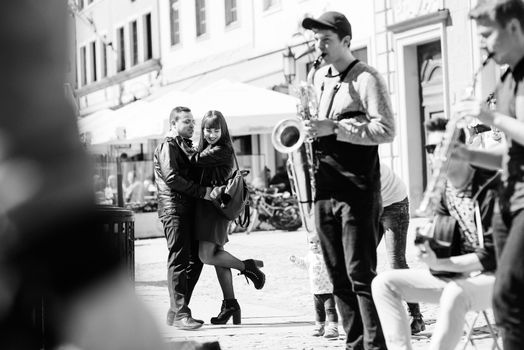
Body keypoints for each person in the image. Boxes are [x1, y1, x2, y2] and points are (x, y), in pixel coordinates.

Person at [301, 11, 396, 349]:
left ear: (345, 41)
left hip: (357, 191)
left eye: (325, 40)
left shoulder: (367, 78)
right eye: (316, 41)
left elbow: (386, 130)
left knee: (360, 275)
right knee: (337, 277)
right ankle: (354, 344)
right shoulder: (318, 79)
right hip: (324, 190)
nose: (319, 46)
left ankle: (375, 346)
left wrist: (337, 128)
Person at [372, 118, 500, 350]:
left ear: (462, 149)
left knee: (454, 292)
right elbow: (445, 251)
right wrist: (431, 249)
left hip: (499, 278)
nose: (435, 155)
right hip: (459, 277)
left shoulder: (490, 188)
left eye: (443, 147)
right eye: (431, 148)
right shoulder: (443, 191)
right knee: (383, 284)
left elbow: (491, 257)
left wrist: (443, 262)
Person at [455, 1, 524, 348]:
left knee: (508, 298)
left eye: (488, 34)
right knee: (508, 298)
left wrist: (489, 116)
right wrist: (467, 155)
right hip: (508, 200)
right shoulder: (508, 78)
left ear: (513, 27)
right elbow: (510, 154)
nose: (483, 44)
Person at [182, 110, 266, 325]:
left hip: (215, 209)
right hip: (207, 207)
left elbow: (192, 160)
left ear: (223, 130)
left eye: (216, 130)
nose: (211, 134)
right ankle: (230, 305)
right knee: (218, 255)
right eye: (208, 129)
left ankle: (247, 267)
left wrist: (177, 141)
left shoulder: (222, 149)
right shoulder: (211, 148)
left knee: (207, 256)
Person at [153, 106, 212, 330]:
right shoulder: (168, 145)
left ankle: (176, 310)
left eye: (192, 121)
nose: (192, 125)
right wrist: (202, 191)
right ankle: (180, 313)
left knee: (196, 258)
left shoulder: (183, 146)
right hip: (174, 209)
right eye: (186, 121)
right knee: (179, 260)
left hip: (186, 209)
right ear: (173, 124)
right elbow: (171, 177)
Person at [379, 164, 425, 334]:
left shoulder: (362, 157)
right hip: (369, 204)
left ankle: (416, 317)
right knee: (361, 262)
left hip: (393, 203)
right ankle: (371, 318)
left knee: (396, 263)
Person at [289, 234, 339, 339]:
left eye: (318, 242)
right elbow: (304, 264)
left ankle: (333, 328)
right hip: (316, 289)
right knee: (318, 310)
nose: (315, 245)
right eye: (311, 242)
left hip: (328, 289)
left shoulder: (327, 254)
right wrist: (296, 260)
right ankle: (319, 327)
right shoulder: (310, 255)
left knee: (330, 309)